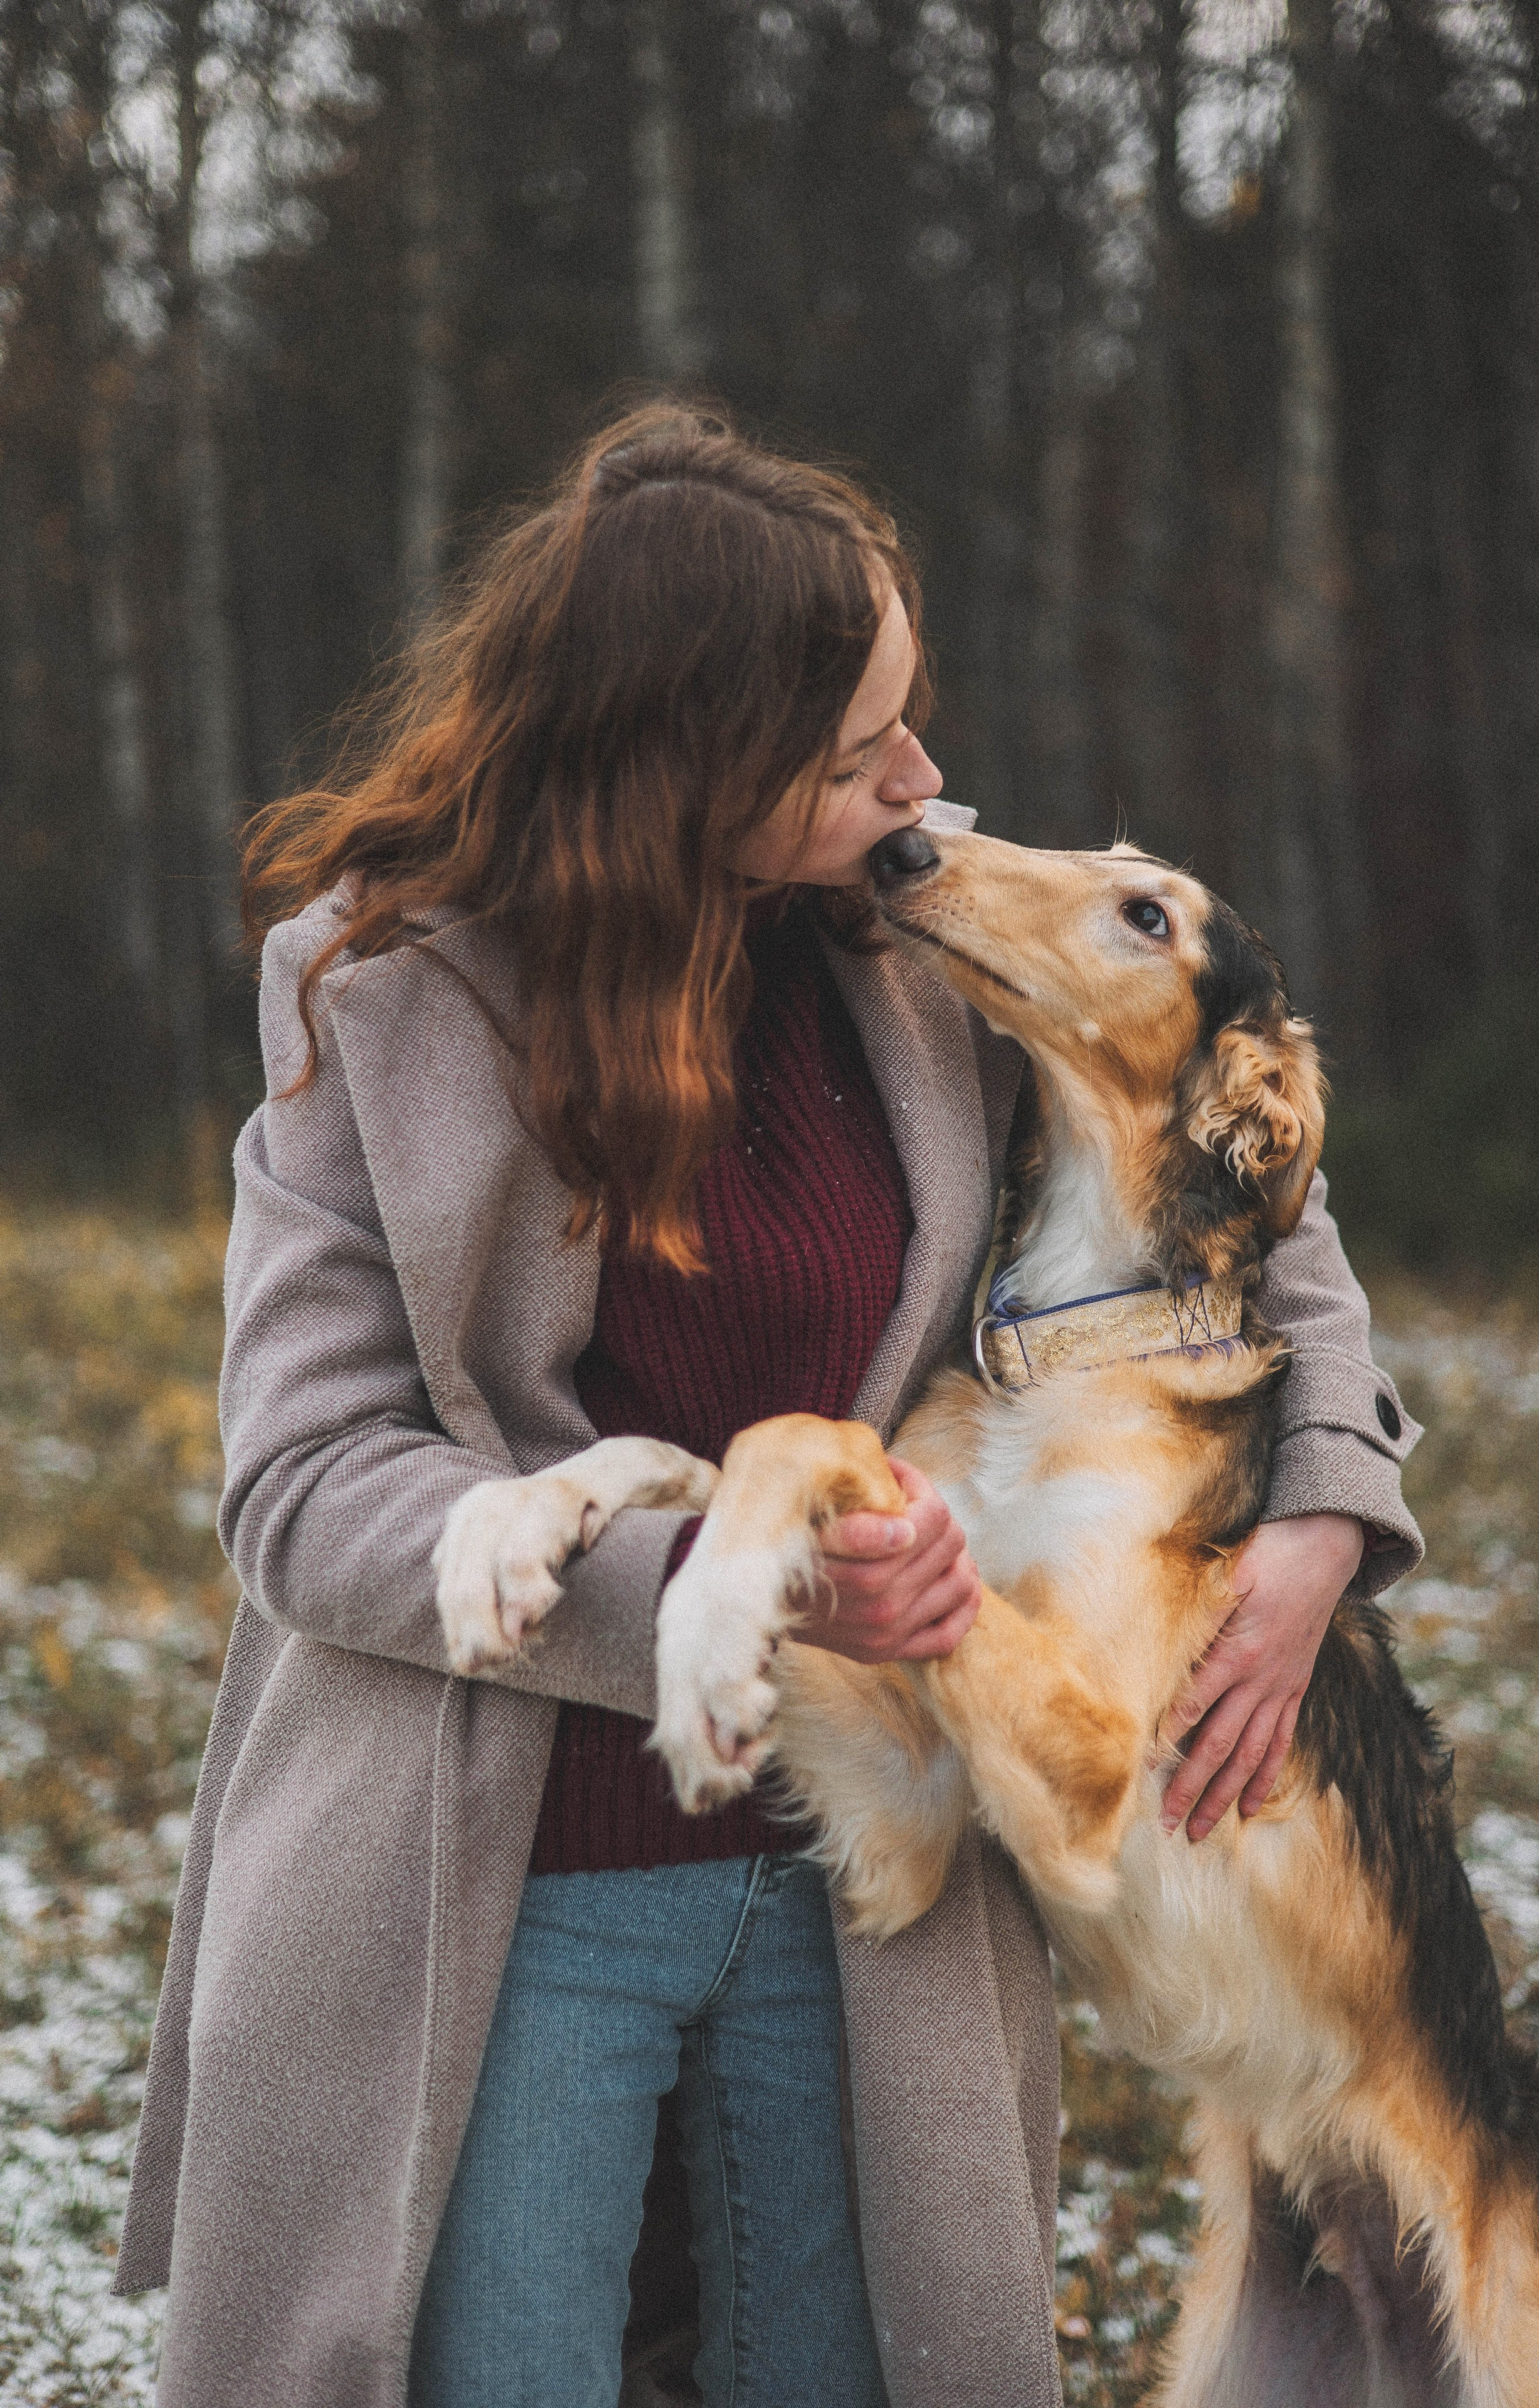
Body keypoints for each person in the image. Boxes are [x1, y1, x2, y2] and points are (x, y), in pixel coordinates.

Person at [114, 403, 1422, 2408]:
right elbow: (301, 1490)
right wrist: (735, 1592)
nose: (922, 786)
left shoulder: (914, 946)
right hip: (495, 1878)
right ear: (686, 767)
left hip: (874, 1880)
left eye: (912, 718)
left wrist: (1324, 1510)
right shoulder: (375, 1000)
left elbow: (1246, 1193)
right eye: (849, 755)